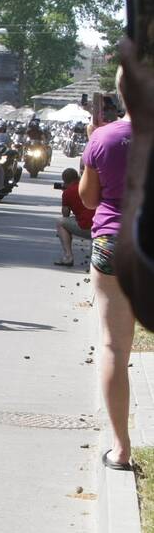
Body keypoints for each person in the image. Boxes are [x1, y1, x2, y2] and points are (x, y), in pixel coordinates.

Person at [80, 65, 135, 471]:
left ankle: (120, 449)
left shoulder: (105, 137)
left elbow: (87, 199)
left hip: (115, 244)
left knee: (115, 346)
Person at [113, 39, 154, 330]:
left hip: (106, 236)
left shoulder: (103, 138)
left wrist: (144, 129)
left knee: (112, 345)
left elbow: (145, 296)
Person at [54, 167, 93, 267]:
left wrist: (65, 195)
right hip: (101, 226)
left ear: (65, 181)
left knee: (60, 222)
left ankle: (68, 257)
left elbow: (65, 214)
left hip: (87, 227)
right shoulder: (89, 186)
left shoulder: (68, 192)